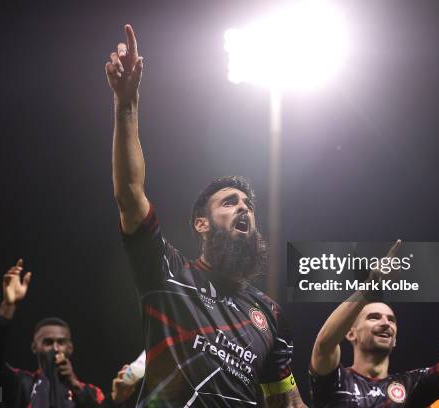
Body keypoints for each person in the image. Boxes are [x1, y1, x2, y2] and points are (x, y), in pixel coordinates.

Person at [106, 24, 306, 407]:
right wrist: (126, 106)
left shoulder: (270, 315)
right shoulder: (166, 272)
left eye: (248, 204)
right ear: (201, 223)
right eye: (229, 202)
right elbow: (130, 193)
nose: (244, 207)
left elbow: (288, 402)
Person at [309, 243, 439, 407]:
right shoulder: (336, 379)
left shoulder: (412, 386)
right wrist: (370, 287)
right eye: (374, 317)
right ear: (350, 333)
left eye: (391, 320)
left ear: (395, 339)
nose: (386, 323)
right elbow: (324, 344)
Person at [0, 259, 106, 408]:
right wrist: (8, 306)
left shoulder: (90, 392)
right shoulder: (22, 384)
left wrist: (74, 383)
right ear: (34, 347)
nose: (55, 348)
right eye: (48, 342)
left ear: (70, 348)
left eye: (61, 342)